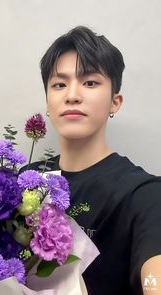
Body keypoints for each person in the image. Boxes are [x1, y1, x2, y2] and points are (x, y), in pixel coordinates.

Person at [25, 26, 161, 294]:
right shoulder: (26, 181)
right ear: (48, 100)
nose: (72, 95)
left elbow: (153, 279)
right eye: (59, 84)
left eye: (90, 83)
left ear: (115, 102)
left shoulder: (144, 194)